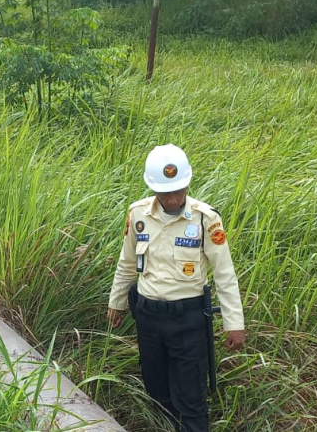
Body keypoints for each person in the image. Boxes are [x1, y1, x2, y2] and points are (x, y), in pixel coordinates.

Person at [106, 144, 245, 432]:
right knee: (157, 393)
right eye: (165, 192)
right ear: (152, 188)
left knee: (191, 400)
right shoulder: (138, 215)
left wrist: (234, 323)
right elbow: (127, 262)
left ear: (188, 183)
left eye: (178, 190)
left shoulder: (205, 219)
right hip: (148, 318)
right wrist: (116, 301)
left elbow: (224, 273)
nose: (172, 198)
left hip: (188, 321)